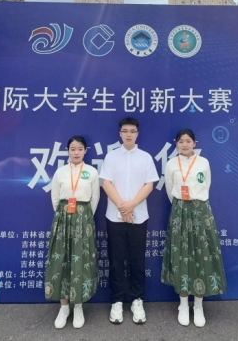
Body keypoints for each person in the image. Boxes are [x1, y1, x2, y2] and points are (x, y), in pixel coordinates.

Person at [161, 128, 226, 328]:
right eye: (181, 141)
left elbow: (207, 185)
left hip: (201, 211)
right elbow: (170, 190)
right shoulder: (171, 164)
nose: (185, 144)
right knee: (181, 254)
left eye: (188, 141)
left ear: (194, 143)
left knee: (201, 254)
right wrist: (181, 206)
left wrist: (195, 202)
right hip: (179, 210)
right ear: (176, 144)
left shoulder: (203, 162)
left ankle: (198, 305)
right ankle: (182, 304)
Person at [99, 117, 159, 325]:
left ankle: (136, 300)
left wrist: (131, 205)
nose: (128, 134)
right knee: (115, 259)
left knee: (137, 259)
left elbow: (149, 185)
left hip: (139, 216)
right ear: (120, 133)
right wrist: (122, 207)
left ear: (137, 134)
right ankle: (116, 301)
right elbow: (106, 183)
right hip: (114, 216)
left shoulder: (145, 157)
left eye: (132, 131)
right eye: (125, 131)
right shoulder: (111, 157)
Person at [44, 136, 100, 329]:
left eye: (80, 149)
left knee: (80, 259)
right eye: (73, 149)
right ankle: (64, 307)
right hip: (63, 218)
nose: (76, 152)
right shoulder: (60, 172)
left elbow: (94, 200)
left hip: (83, 219)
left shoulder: (91, 172)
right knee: (62, 259)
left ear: (85, 151)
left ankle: (78, 306)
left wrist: (83, 217)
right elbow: (55, 199)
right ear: (67, 151)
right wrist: (64, 217)